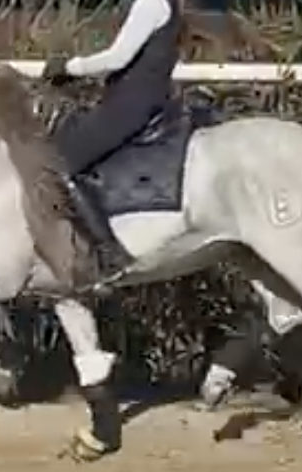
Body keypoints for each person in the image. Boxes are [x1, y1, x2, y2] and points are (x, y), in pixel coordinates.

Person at [40, 0, 186, 285]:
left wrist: (69, 66)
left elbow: (117, 58)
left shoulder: (149, 4)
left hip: (130, 106)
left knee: (59, 163)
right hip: (143, 100)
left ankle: (109, 252)